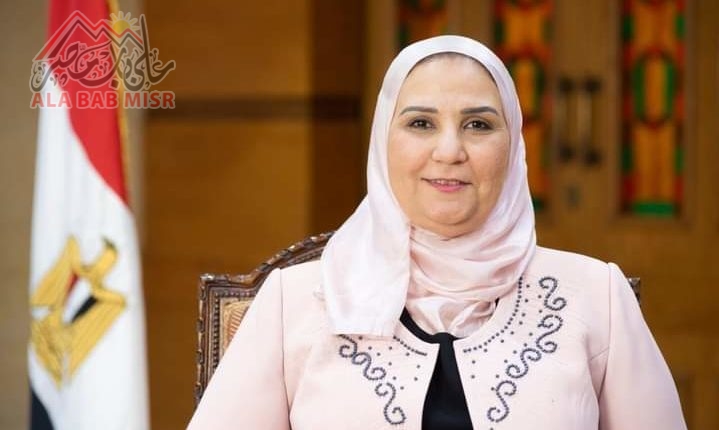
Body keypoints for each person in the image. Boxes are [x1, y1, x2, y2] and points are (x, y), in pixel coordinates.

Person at [187, 35, 687, 430]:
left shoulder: (596, 296)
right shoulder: (293, 302)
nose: (449, 151)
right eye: (421, 123)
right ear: (383, 141)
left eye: (478, 125)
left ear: (513, 146)